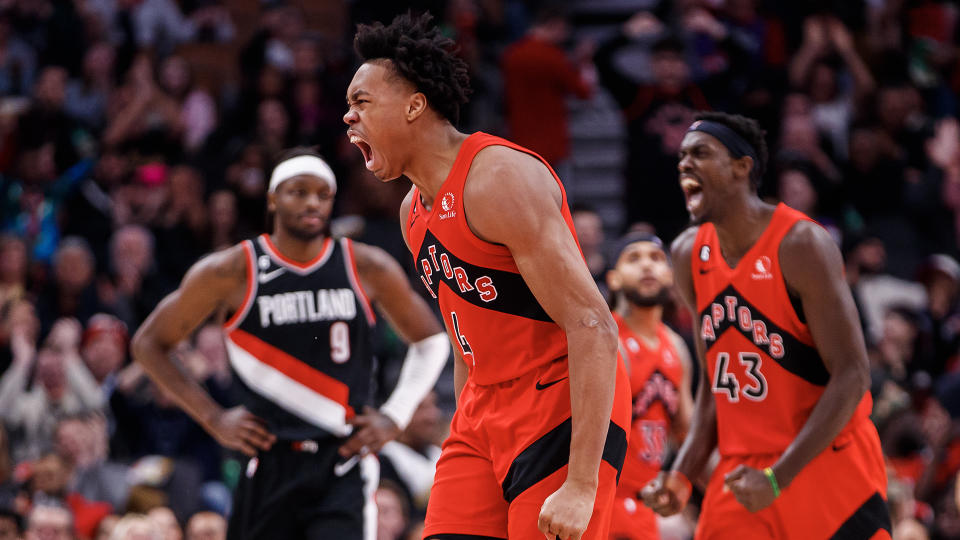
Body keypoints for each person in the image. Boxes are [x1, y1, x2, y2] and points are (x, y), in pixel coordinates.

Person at [344, 12, 631, 540]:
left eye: (362, 102)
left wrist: (582, 484)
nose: (348, 117)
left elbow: (595, 326)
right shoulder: (413, 213)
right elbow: (464, 338)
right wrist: (465, 425)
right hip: (481, 411)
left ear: (414, 104)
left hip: (557, 402)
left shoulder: (499, 178)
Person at [131, 148, 450, 540]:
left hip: (343, 462)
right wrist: (213, 418)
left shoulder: (364, 265)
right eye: (298, 192)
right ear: (272, 198)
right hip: (268, 460)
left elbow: (433, 339)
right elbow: (148, 344)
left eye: (322, 193)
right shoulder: (233, 270)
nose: (312, 202)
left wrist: (395, 415)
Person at [641, 112, 890, 539]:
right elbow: (714, 390)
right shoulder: (686, 254)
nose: (684, 164)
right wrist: (683, 474)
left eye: (700, 153)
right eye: (681, 156)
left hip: (824, 462)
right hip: (743, 475)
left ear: (743, 167)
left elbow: (853, 375)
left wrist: (779, 476)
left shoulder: (800, 245)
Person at [605, 232, 693, 540]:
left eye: (656, 259)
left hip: (646, 502)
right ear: (613, 279)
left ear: (669, 276)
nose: (646, 266)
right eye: (634, 258)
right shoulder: (607, 339)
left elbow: (685, 432)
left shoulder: (677, 347)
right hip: (603, 500)